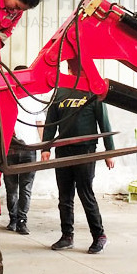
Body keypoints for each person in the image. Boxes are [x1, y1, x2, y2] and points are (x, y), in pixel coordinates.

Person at [41, 60, 115, 253]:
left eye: (79, 69)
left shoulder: (93, 92)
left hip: (85, 150)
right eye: (72, 68)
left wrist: (109, 151)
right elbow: (51, 121)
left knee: (85, 193)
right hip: (62, 150)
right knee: (65, 196)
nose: (75, 71)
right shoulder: (60, 92)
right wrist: (46, 147)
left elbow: (104, 124)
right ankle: (67, 236)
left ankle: (99, 236)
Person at [3, 133, 37, 234]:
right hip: (15, 149)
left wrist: (44, 148)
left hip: (25, 149)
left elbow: (41, 128)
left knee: (18, 188)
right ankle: (17, 220)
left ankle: (18, 220)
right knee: (16, 188)